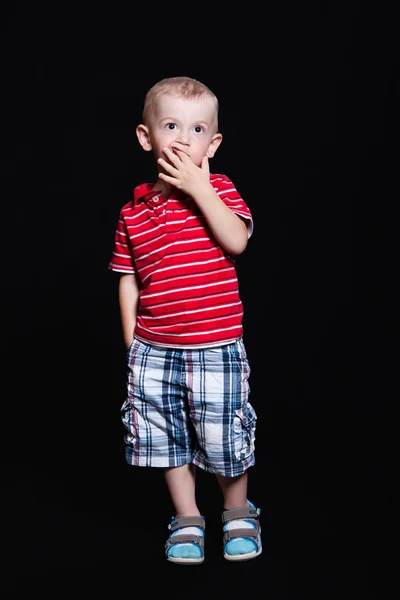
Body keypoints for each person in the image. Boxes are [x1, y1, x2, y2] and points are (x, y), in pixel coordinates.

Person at [108, 76, 261, 564]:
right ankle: (188, 516)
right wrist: (134, 341)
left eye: (197, 130)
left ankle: (238, 511)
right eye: (171, 125)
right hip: (155, 349)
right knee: (163, 433)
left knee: (221, 433)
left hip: (215, 343)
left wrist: (200, 187)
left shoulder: (219, 189)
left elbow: (236, 240)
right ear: (145, 136)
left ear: (212, 144)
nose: (183, 138)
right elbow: (128, 279)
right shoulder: (134, 211)